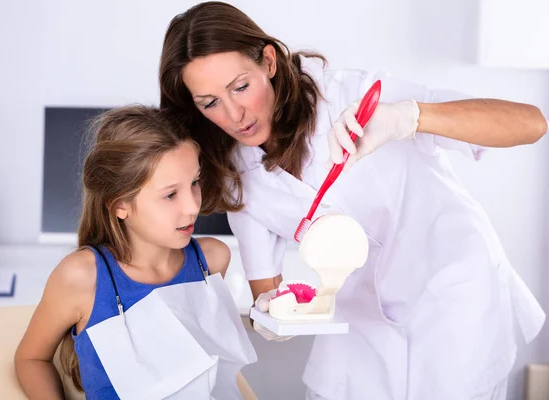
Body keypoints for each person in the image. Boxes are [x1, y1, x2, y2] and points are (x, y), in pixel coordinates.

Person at [158, 2, 548, 399]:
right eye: (209, 103)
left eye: (240, 86)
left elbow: (531, 123)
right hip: (358, 324)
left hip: (453, 300)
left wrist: (408, 117)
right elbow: (266, 295)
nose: (234, 113)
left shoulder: (353, 95)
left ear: (269, 62)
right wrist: (274, 313)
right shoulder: (239, 176)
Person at [14, 105, 256, 399]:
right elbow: (31, 359)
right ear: (120, 205)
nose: (193, 206)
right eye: (170, 194)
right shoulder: (82, 278)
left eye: (194, 183)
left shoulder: (213, 260)